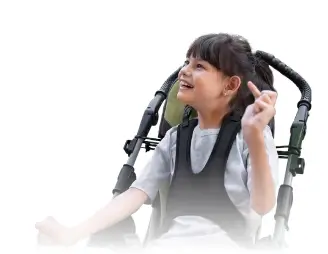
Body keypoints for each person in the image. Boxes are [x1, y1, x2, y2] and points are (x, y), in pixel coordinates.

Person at [35, 33, 279, 251]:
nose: (184, 71)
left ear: (230, 85)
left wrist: (254, 136)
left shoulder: (250, 137)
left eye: (199, 66)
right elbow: (134, 196)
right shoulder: (174, 139)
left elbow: (263, 205)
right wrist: (73, 233)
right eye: (186, 62)